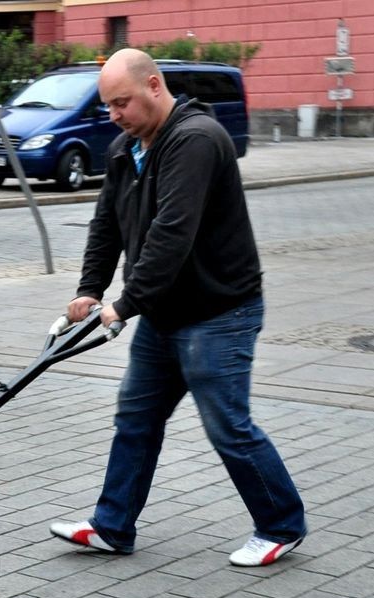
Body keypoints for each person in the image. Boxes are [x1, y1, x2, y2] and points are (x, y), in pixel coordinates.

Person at [49, 49, 306, 568]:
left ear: (154, 85)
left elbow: (173, 235)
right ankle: (112, 526)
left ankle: (281, 525)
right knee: (137, 417)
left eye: (122, 102)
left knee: (227, 426)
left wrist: (125, 304)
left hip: (219, 312)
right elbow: (107, 228)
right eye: (109, 106)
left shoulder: (196, 141)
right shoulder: (127, 149)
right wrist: (90, 290)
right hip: (165, 313)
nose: (115, 114)